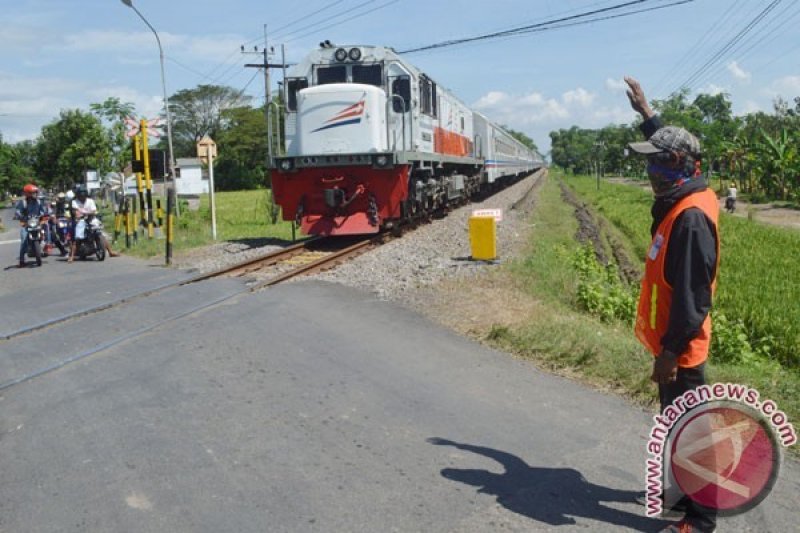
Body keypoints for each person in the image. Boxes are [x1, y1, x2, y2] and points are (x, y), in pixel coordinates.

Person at [625, 77, 719, 533]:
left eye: (655, 164)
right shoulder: (682, 192)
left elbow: (692, 297)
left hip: (681, 349)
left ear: (677, 163)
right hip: (672, 343)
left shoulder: (692, 218)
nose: (649, 173)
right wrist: (647, 113)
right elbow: (665, 145)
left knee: (693, 433)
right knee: (678, 425)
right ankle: (684, 496)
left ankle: (700, 520)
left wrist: (669, 354)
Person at [68, 186, 119, 262]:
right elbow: (77, 213)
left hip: (92, 219)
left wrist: (85, 213)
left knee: (100, 234)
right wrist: (84, 214)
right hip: (80, 221)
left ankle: (110, 252)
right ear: (78, 195)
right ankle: (72, 256)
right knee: (78, 238)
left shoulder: (90, 201)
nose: (82, 197)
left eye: (84, 195)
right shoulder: (74, 202)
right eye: (81, 195)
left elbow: (94, 211)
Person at [14, 183, 47, 267]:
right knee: (24, 239)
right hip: (26, 224)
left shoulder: (39, 201)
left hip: (36, 222)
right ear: (28, 194)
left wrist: (45, 214)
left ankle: (46, 246)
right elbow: (18, 211)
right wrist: (18, 215)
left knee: (46, 231)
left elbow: (43, 210)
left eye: (36, 192)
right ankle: (21, 260)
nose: (36, 194)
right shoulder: (23, 203)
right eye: (33, 193)